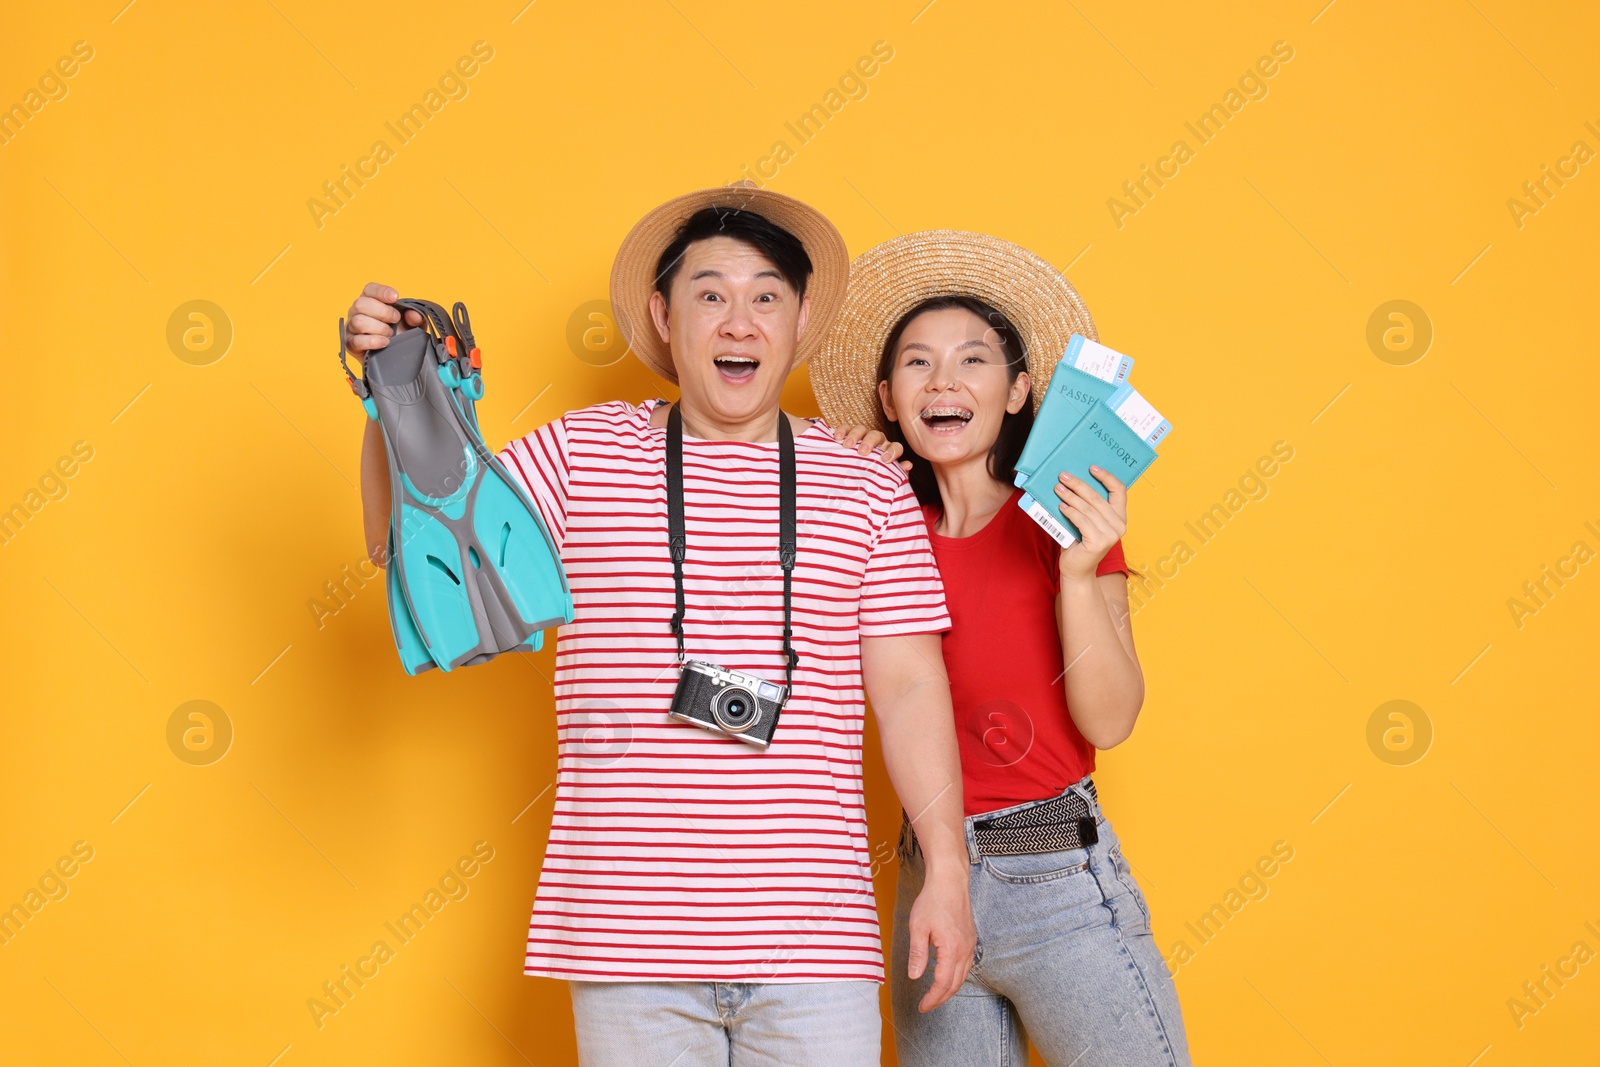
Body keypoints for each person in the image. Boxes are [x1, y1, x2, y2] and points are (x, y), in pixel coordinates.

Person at [341, 187, 976, 1067]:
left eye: (766, 297)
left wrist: (948, 868)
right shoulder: (578, 455)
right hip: (624, 938)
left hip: (814, 940)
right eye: (710, 294)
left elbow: (910, 687)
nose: (739, 322)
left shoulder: (866, 487)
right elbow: (400, 538)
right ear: (663, 315)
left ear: (800, 323)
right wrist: (387, 395)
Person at [813, 231, 1192, 1067]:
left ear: (1020, 390)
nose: (944, 381)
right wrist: (841, 500)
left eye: (974, 360)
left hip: (1057, 875)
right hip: (929, 881)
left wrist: (1081, 571)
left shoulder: (1063, 526)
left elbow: (1111, 717)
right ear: (886, 395)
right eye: (917, 363)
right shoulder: (877, 534)